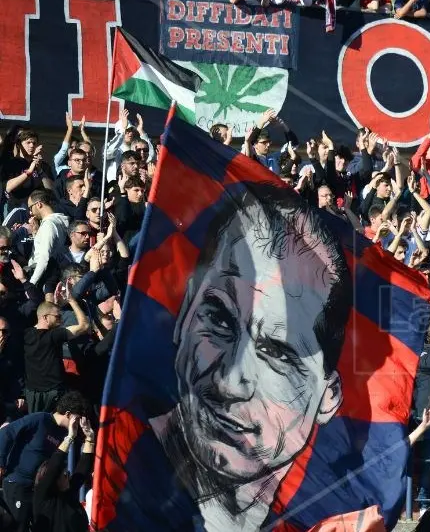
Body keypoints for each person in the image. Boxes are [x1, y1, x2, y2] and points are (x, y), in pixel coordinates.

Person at [96, 184, 380, 531]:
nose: (231, 380)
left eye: (277, 352)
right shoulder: (113, 466)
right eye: (219, 319)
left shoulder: (305, 523)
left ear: (328, 396)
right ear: (185, 314)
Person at [0, 392, 91, 532]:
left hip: (39, 492)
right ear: (68, 414)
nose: (78, 425)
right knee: (19, 526)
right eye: (77, 419)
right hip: (19, 484)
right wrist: (1, 462)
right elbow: (7, 433)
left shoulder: (64, 434)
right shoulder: (40, 419)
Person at [24, 298, 91, 414]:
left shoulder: (25, 334)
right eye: (57, 317)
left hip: (33, 395)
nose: (60, 320)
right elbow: (84, 325)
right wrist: (72, 301)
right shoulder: (55, 335)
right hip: (54, 393)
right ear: (45, 317)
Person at [30, 415, 95, 532]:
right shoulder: (43, 497)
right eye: (64, 475)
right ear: (54, 480)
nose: (68, 477)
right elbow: (54, 466)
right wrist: (70, 437)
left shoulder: (68, 494)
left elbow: (82, 470)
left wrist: (89, 438)